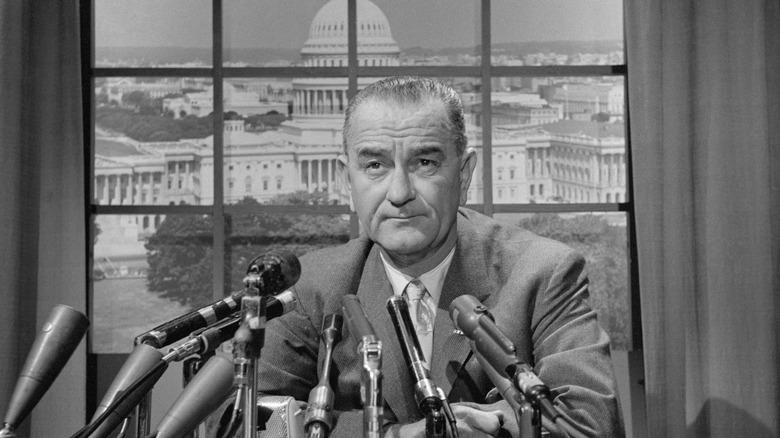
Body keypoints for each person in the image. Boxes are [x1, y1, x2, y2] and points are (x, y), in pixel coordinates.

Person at [211, 76, 623, 437]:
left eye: (424, 162)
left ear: (464, 175)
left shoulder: (544, 273)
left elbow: (591, 426)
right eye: (375, 165)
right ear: (346, 181)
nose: (399, 192)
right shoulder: (313, 289)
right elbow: (244, 424)